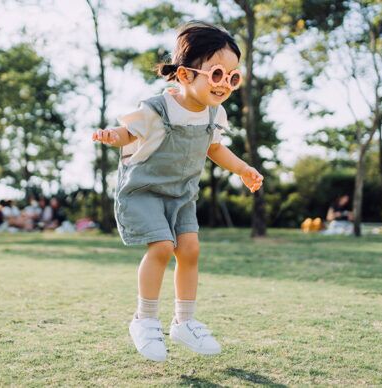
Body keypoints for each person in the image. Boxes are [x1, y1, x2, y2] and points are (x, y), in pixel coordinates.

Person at [92, 21, 263, 362]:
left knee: (190, 249)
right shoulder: (159, 108)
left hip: (182, 195)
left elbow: (215, 149)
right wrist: (114, 135)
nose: (225, 85)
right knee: (162, 246)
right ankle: (145, 319)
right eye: (216, 74)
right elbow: (130, 131)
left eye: (232, 77)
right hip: (144, 191)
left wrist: (243, 168)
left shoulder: (215, 113)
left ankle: (184, 322)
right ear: (185, 75)